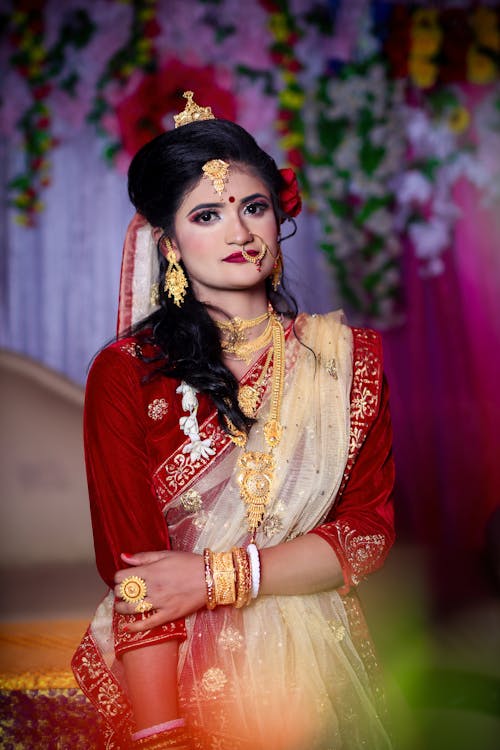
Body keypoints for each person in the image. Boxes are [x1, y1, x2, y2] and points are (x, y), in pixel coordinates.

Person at [72, 91, 396, 750]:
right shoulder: (127, 372)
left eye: (253, 208)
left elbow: (367, 533)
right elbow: (135, 576)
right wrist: (160, 733)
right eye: (208, 214)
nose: (239, 233)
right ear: (168, 243)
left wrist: (220, 576)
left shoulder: (343, 362)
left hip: (318, 666)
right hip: (180, 665)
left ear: (279, 216)